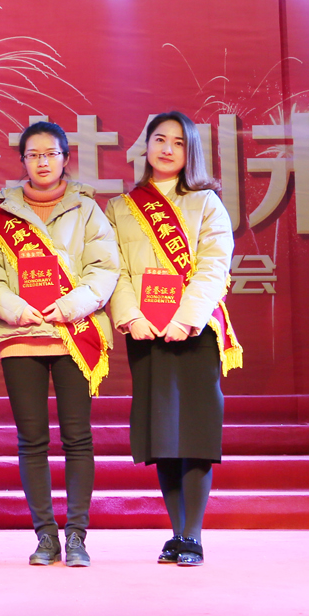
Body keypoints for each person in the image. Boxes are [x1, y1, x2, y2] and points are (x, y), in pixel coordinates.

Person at [0, 121, 119, 567]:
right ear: (23, 160)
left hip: (75, 334)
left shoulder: (88, 210)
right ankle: (45, 536)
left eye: (51, 153)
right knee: (32, 439)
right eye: (34, 154)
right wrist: (17, 309)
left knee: (78, 438)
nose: (42, 162)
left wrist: (71, 306)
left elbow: (104, 269)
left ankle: (76, 535)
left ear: (65, 158)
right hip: (21, 335)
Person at [104, 111, 242, 567]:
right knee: (162, 433)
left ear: (191, 152)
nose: (167, 149)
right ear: (145, 146)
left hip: (196, 333)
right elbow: (115, 270)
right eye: (160, 139)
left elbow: (214, 267)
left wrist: (186, 319)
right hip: (146, 332)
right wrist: (130, 317)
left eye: (179, 143)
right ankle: (177, 532)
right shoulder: (121, 208)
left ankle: (193, 536)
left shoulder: (206, 203)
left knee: (195, 433)